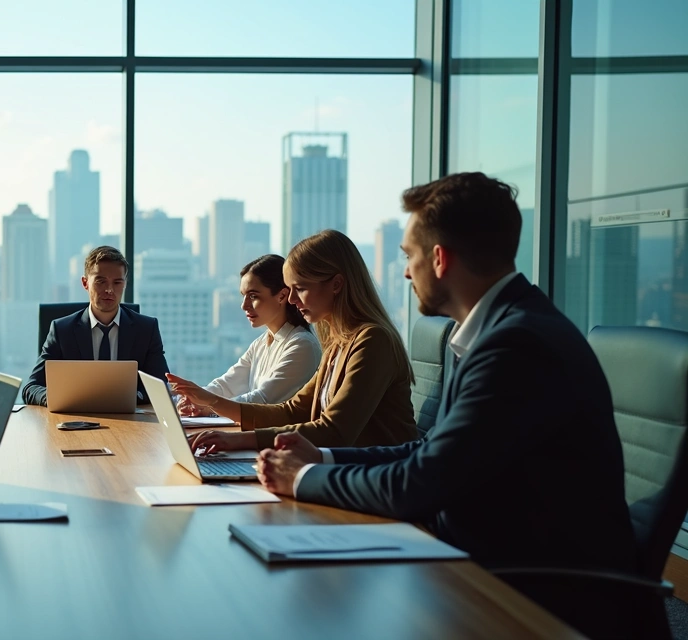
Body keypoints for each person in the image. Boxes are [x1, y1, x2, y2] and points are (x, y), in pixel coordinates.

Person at [253, 173, 639, 636]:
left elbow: (421, 483)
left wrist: (306, 477)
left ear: (439, 259)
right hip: (476, 560)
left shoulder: (516, 346)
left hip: (530, 596)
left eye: (409, 256)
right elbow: (429, 450)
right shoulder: (494, 331)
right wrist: (322, 458)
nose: (404, 271)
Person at [171, 230, 416, 451]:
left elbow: (335, 432)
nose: (291, 300)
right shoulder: (338, 343)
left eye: (300, 288)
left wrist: (240, 438)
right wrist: (212, 402)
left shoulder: (372, 341)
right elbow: (293, 411)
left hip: (377, 477)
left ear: (337, 284)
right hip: (347, 468)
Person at [23, 245, 169, 406]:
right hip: (74, 422)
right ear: (85, 283)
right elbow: (31, 388)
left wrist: (133, 397)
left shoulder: (146, 329)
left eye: (117, 282)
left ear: (125, 284)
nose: (109, 290)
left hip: (132, 423)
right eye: (101, 281)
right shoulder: (62, 331)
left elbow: (161, 386)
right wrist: (55, 397)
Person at [177, 254, 320, 416]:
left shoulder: (303, 345)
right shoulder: (261, 343)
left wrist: (209, 406)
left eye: (253, 296)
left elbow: (263, 400)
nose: (244, 306)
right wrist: (193, 399)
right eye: (243, 296)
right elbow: (227, 384)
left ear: (282, 296)